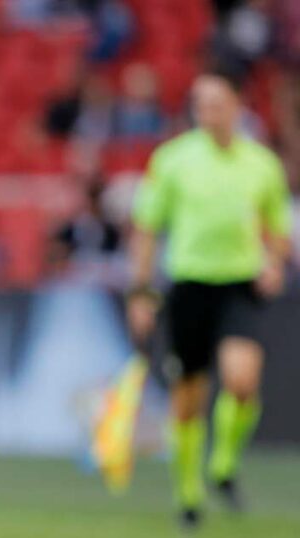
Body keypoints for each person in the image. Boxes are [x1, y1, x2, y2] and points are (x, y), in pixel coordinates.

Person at [127, 69, 292, 530]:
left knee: (242, 381)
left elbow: (277, 230)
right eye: (200, 104)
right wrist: (141, 291)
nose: (207, 113)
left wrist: (274, 263)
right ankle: (188, 493)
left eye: (216, 103)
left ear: (238, 105)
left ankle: (222, 463)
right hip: (189, 285)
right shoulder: (173, 160)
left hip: (239, 284)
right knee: (187, 399)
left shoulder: (262, 164)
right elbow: (146, 228)